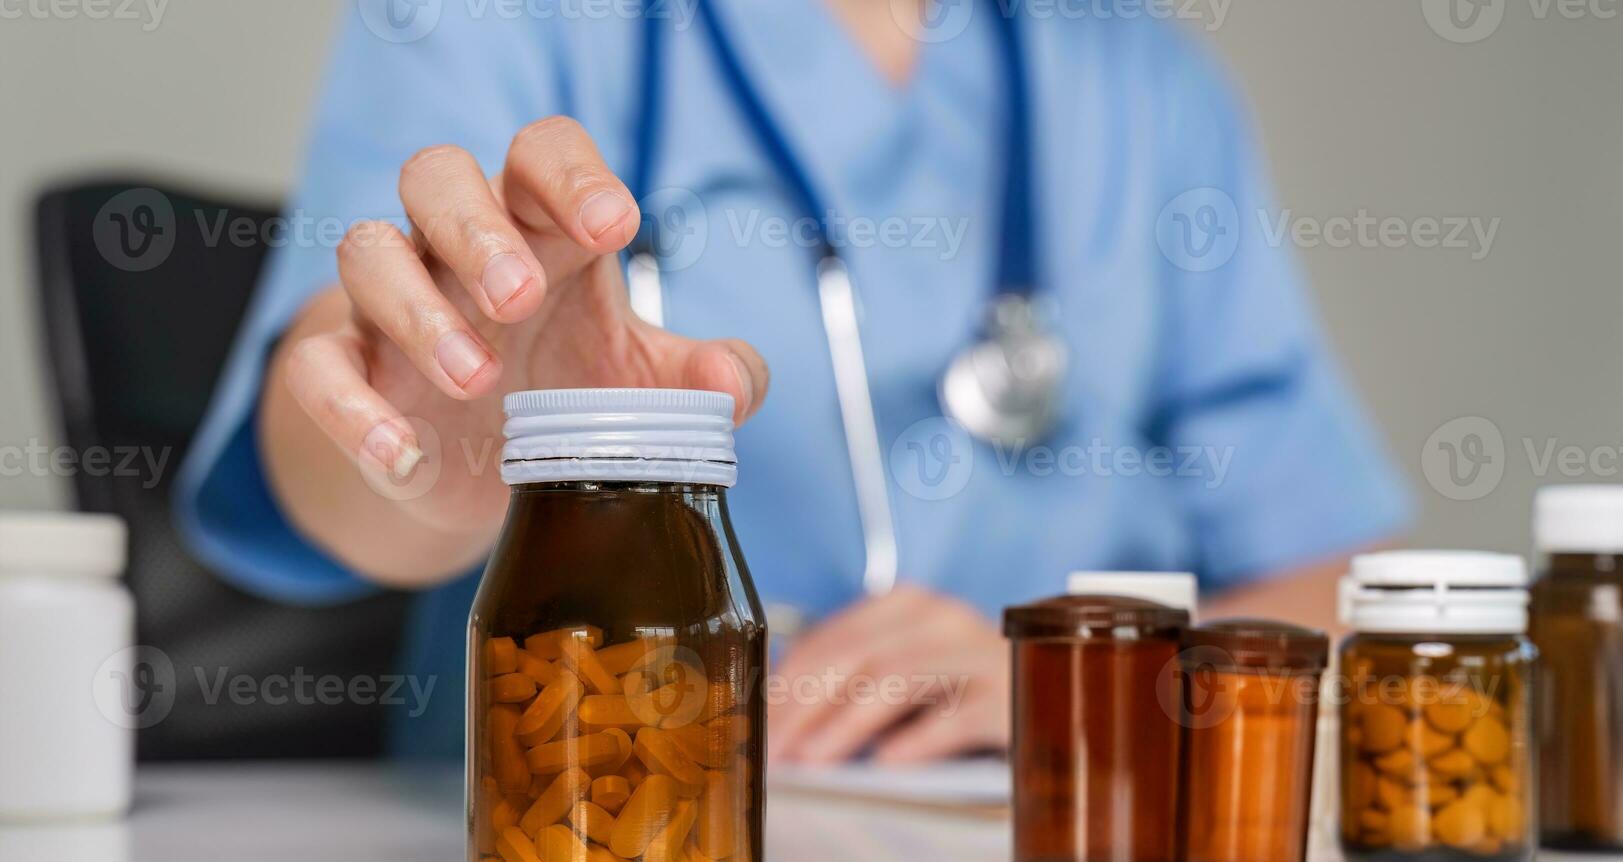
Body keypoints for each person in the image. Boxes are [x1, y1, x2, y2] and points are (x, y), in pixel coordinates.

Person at [176, 0, 1410, 766]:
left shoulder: (1144, 83)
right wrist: (428, 455)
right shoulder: (506, 16)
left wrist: (1093, 670)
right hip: (593, 830)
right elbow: (330, 446)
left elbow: (1336, 581)